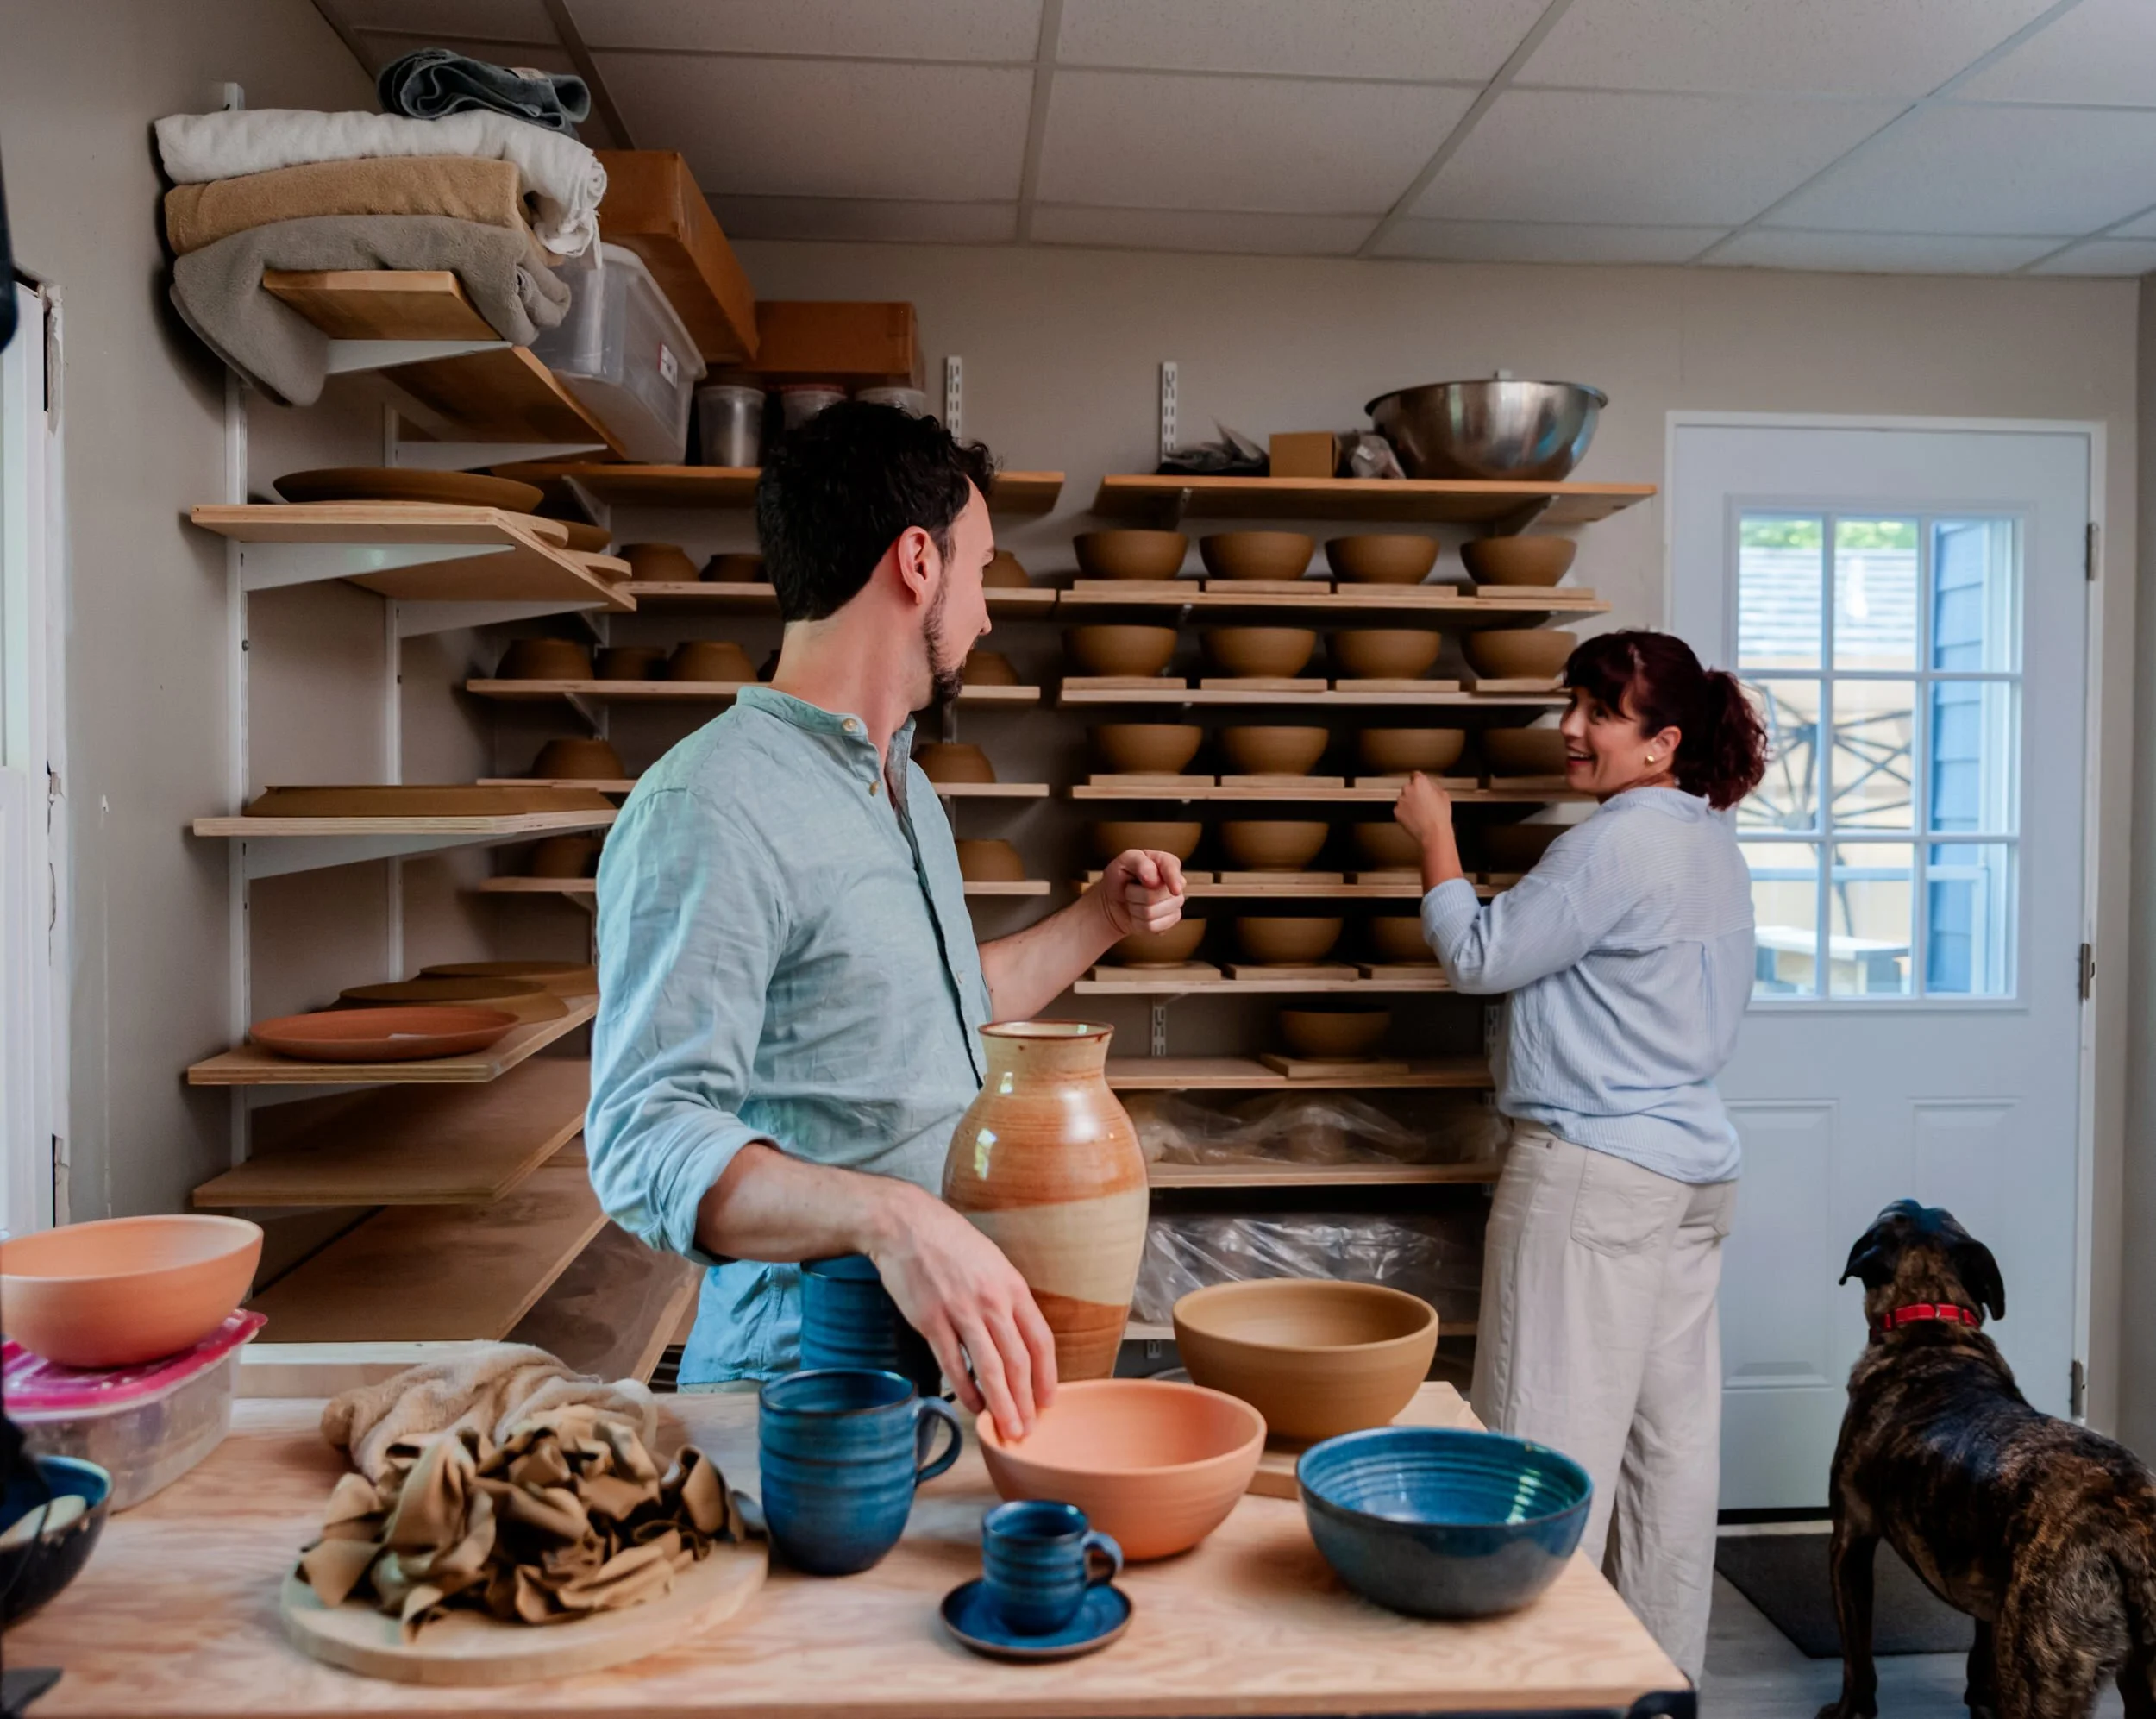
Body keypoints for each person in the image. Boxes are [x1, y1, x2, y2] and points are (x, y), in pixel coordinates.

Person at [586, 402, 1187, 1439]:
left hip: (929, 1371)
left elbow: (937, 1013)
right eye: (980, 571)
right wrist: (889, 1216)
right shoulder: (711, 804)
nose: (985, 616)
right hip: (798, 1394)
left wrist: (1101, 916)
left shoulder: (905, 789)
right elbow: (644, 1137)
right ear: (917, 561)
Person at [1392, 628, 1767, 1681]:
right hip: (1691, 1173)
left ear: (1662, 742)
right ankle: (1652, 1690)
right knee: (1666, 1460)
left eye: (1600, 712)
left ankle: (1537, 1692)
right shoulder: (1711, 841)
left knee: (1538, 1455)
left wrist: (1435, 835)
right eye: (1573, 703)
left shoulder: (1616, 843)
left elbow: (1479, 955)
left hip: (1594, 1173)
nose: (1570, 727)